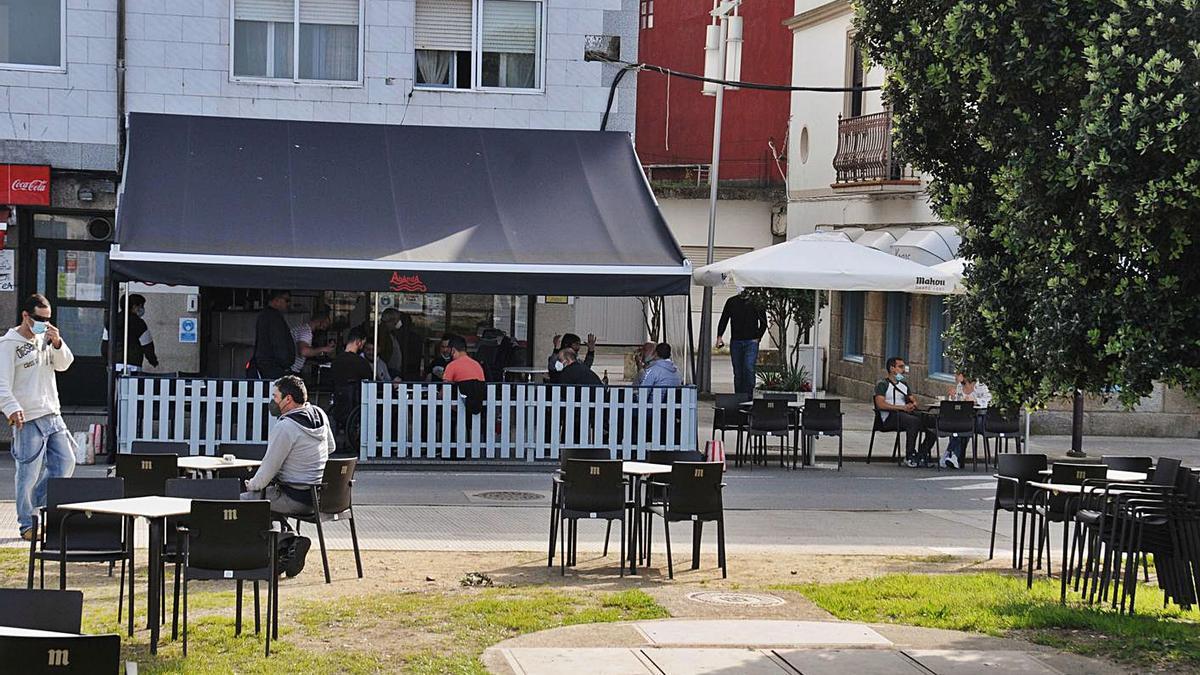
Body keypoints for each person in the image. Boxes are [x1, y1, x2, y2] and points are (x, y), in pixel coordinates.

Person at [0, 294, 76, 541]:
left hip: (52, 413)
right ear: (25, 315)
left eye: (48, 319)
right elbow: (2, 383)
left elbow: (64, 364)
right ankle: (26, 523)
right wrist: (11, 407)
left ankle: (36, 505)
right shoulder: (8, 344)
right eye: (39, 319)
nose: (45, 323)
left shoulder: (46, 337)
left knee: (66, 462)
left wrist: (57, 343)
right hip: (28, 417)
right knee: (28, 472)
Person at [242, 375, 331, 577]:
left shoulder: (286, 427)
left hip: (294, 496)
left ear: (288, 399)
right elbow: (331, 447)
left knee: (245, 502)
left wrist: (252, 485)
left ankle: (288, 541)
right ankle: (286, 549)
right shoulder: (320, 415)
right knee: (266, 499)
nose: (272, 401)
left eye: (275, 396)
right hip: (318, 496)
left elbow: (267, 471)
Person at [873, 356, 935, 467]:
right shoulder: (882, 384)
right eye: (900, 367)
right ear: (892, 368)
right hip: (890, 416)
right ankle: (909, 455)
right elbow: (880, 404)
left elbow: (912, 400)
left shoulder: (904, 385)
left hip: (905, 413)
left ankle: (922, 453)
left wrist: (913, 404)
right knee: (913, 422)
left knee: (932, 420)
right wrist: (901, 408)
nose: (903, 370)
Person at [715, 292, 768, 396]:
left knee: (748, 367)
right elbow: (724, 319)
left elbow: (763, 321)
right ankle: (739, 397)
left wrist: (758, 337)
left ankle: (749, 396)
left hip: (751, 340)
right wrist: (719, 336)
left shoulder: (756, 302)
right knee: (738, 371)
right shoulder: (732, 301)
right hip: (736, 340)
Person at [940, 372, 992, 469]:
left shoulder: (981, 386)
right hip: (965, 417)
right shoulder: (960, 386)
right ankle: (953, 456)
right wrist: (953, 397)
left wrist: (975, 401)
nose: (955, 376)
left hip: (980, 419)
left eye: (957, 374)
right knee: (960, 425)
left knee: (964, 426)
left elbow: (990, 401)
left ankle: (950, 454)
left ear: (964, 376)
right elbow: (958, 404)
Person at [330, 328, 375, 430]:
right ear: (358, 342)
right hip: (356, 403)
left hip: (339, 402)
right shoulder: (361, 363)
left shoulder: (336, 361)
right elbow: (370, 381)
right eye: (363, 344)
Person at [100, 293, 158, 372]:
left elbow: (104, 346)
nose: (142, 309)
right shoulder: (139, 323)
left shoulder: (111, 321)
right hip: (133, 364)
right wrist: (153, 361)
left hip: (115, 365)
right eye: (141, 306)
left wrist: (107, 362)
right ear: (134, 306)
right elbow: (147, 346)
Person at [251, 290, 295, 379]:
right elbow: (279, 342)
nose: (288, 304)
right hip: (274, 366)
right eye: (286, 300)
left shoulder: (265, 315)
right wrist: (285, 363)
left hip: (268, 364)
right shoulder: (274, 318)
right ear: (276, 300)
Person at [289, 309, 334, 374]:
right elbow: (303, 352)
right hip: (292, 370)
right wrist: (324, 349)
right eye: (326, 323)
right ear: (320, 321)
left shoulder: (300, 328)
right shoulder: (306, 332)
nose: (326, 327)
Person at [376, 308, 405, 378]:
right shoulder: (382, 333)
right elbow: (382, 351)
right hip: (387, 370)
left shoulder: (391, 333)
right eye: (397, 320)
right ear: (392, 320)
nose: (398, 322)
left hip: (393, 370)